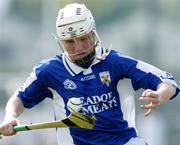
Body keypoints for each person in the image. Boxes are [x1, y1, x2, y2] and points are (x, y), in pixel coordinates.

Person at [0, 3, 179, 145]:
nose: (78, 48)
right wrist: (10, 117)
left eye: (83, 38)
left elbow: (167, 81)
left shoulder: (115, 62)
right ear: (61, 41)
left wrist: (160, 95)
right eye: (70, 42)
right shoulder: (49, 71)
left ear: (93, 33)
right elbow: (19, 98)